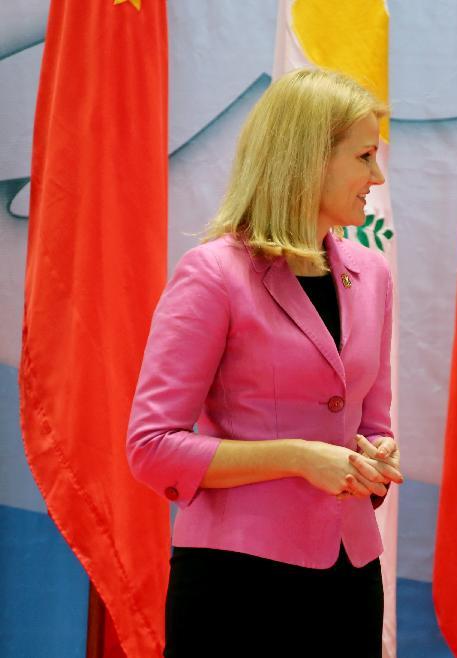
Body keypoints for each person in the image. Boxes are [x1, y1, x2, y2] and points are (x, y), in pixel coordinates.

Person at [127, 68, 402, 657]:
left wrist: (373, 455)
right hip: (235, 585)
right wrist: (298, 458)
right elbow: (151, 448)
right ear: (309, 160)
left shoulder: (372, 273)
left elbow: (371, 425)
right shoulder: (213, 274)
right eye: (364, 156)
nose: (376, 177)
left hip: (350, 578)